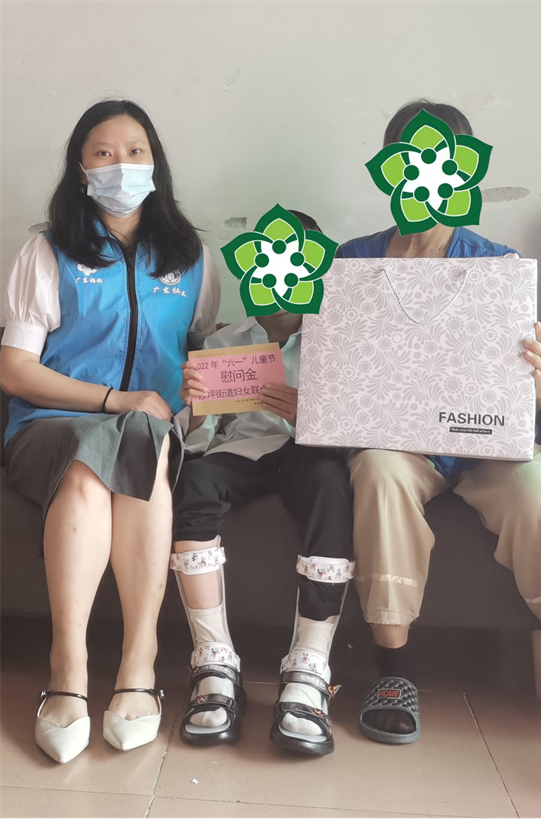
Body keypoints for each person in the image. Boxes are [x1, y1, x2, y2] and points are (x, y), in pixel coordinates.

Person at [0, 100, 220, 762]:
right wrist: (114, 399)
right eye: (103, 152)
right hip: (50, 428)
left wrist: (200, 396)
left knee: (142, 445)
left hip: (151, 431)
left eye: (134, 151)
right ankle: (68, 667)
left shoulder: (193, 258)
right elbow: (15, 370)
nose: (120, 165)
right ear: (80, 168)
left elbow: (200, 353)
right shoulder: (47, 251)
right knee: (88, 459)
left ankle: (138, 661)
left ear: (156, 165)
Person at [335, 99, 541, 745]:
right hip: (400, 445)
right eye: (410, 160)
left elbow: (526, 384)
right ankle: (393, 670)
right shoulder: (354, 262)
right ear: (388, 169)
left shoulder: (499, 266)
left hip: (488, 446)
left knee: (538, 492)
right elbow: (336, 368)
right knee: (378, 471)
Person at [171, 211, 354, 755]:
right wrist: (195, 410)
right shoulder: (223, 342)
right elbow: (199, 442)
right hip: (242, 452)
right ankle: (213, 661)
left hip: (311, 454)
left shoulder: (339, 345)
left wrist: (312, 414)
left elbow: (361, 427)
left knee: (330, 483)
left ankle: (310, 666)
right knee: (195, 481)